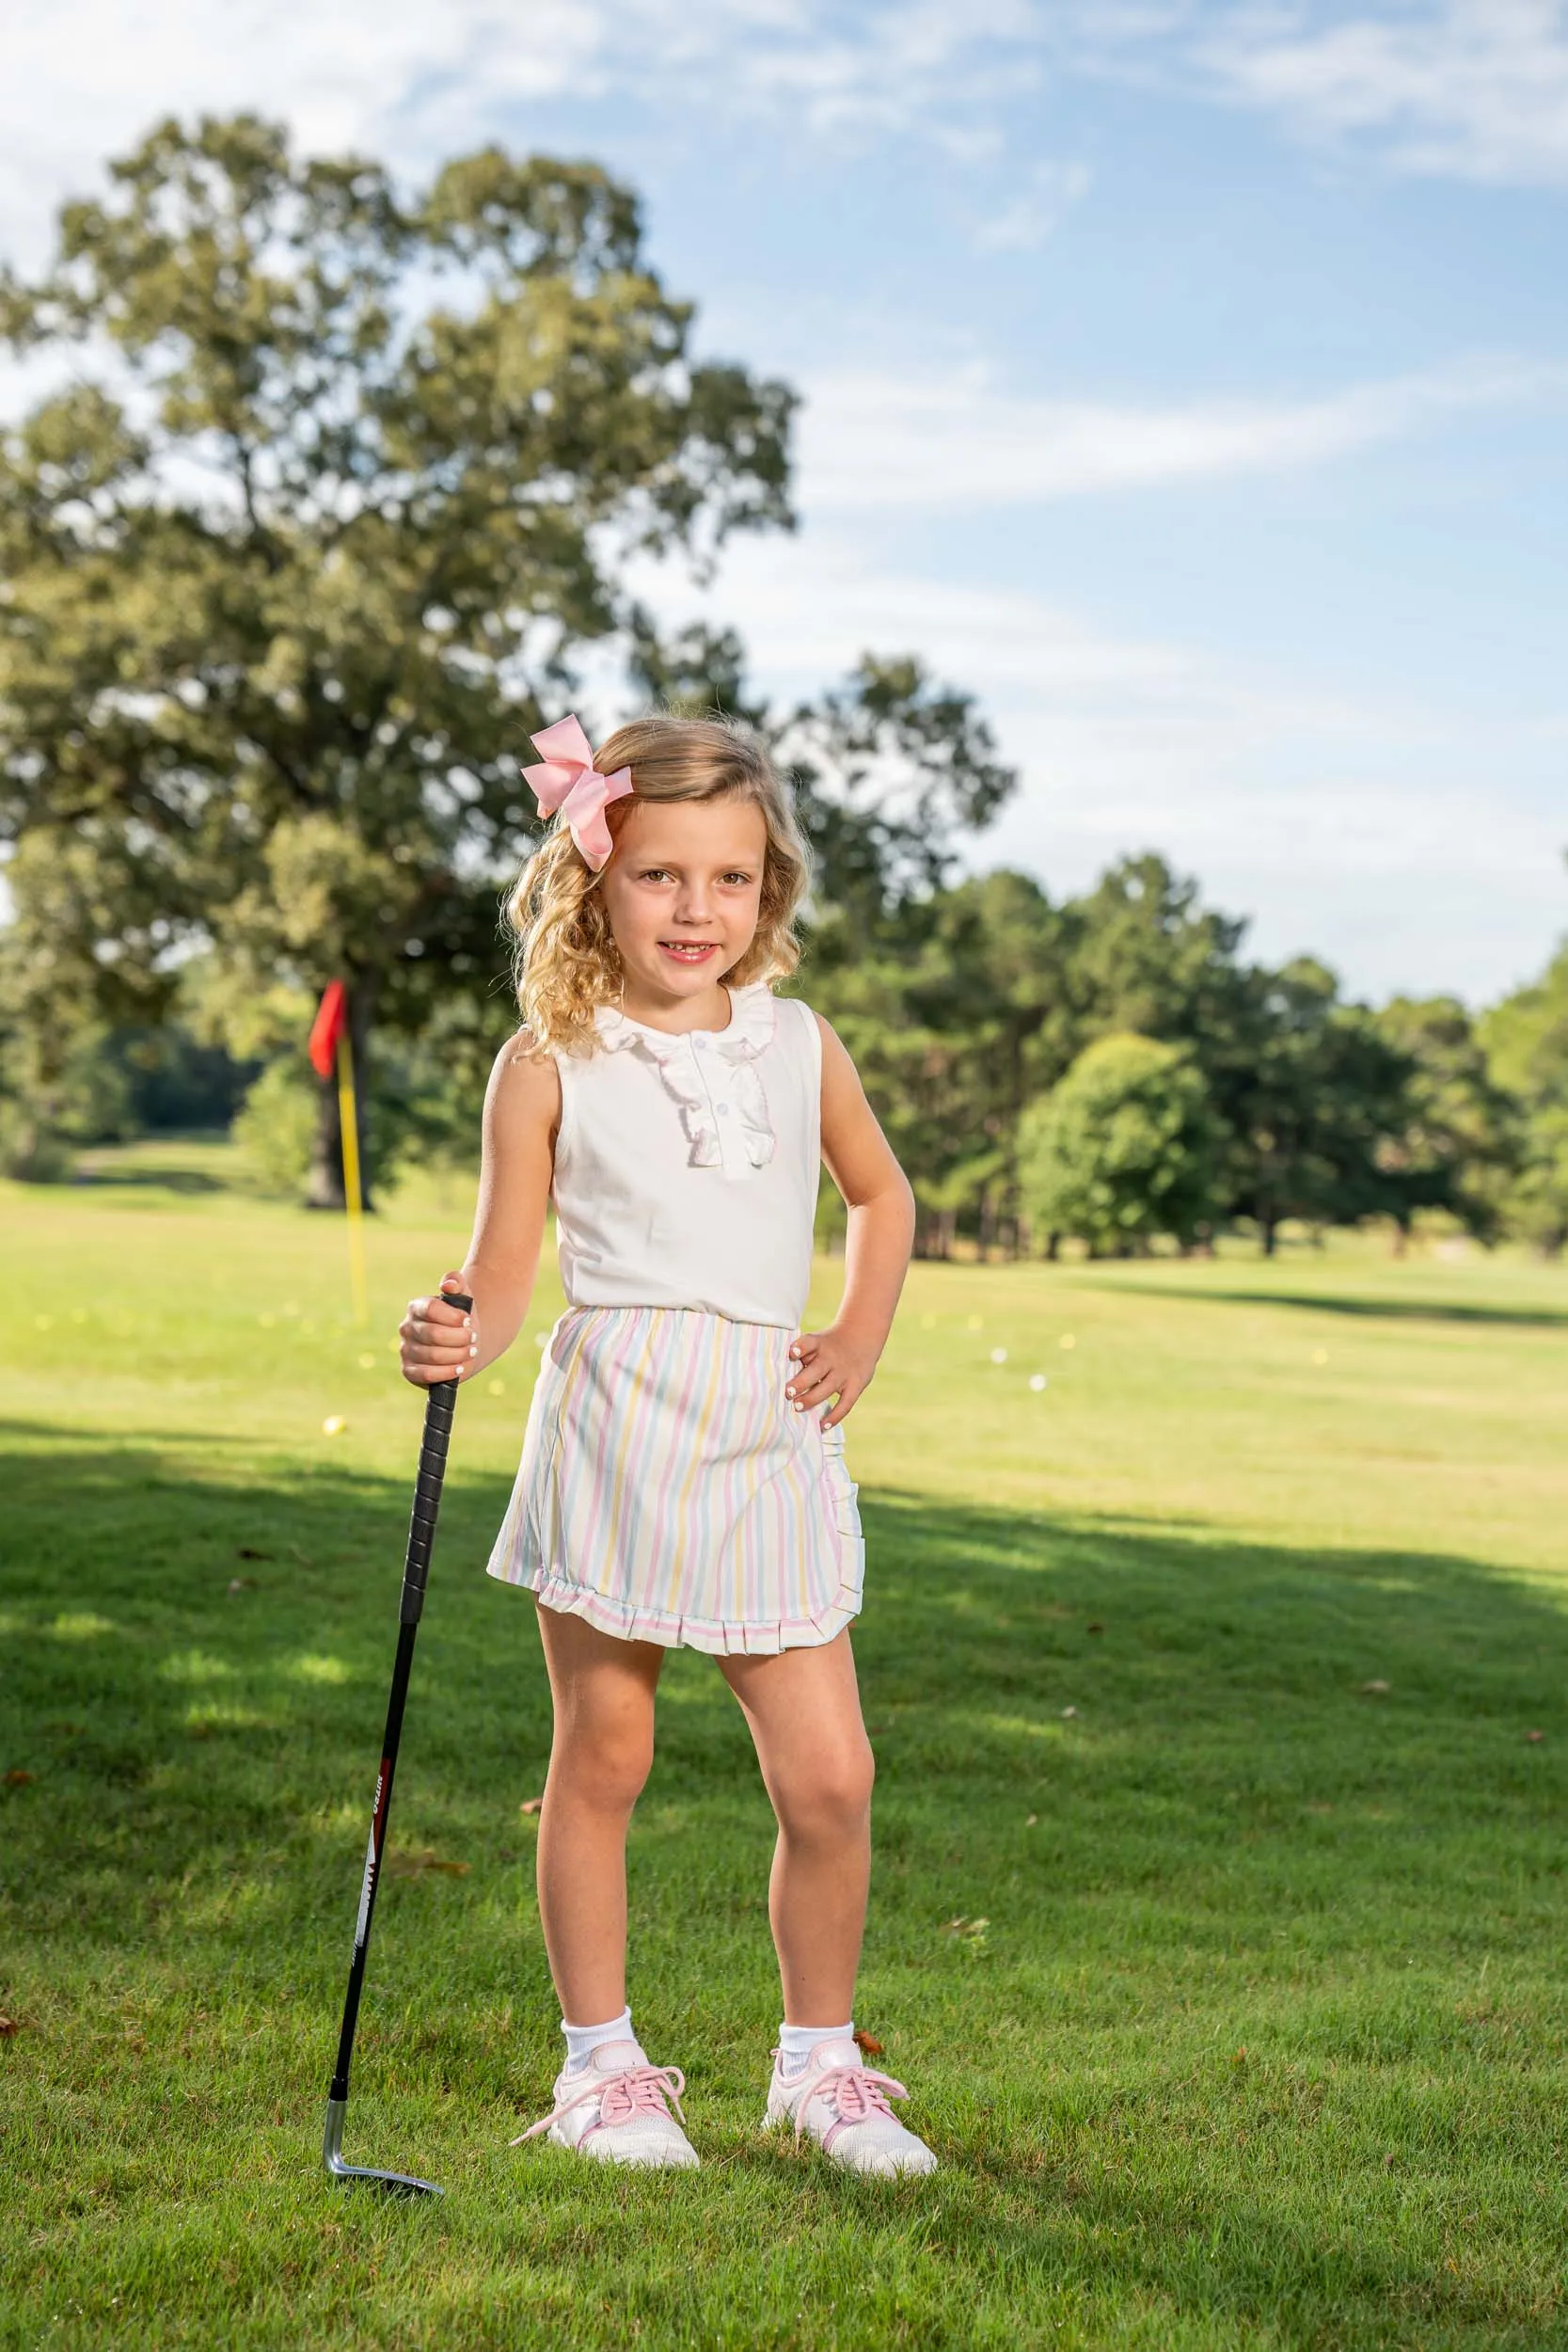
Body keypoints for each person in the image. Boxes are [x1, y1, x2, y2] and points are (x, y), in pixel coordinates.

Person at [398, 711, 935, 2178]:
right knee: (606, 1754)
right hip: (620, 1425)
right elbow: (501, 1277)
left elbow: (883, 1200)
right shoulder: (547, 1061)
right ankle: (601, 2069)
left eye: (732, 879)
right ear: (593, 880)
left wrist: (859, 1333)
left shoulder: (797, 1043)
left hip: (766, 1425)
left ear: (770, 893)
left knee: (829, 1777)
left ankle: (817, 2069)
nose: (697, 910)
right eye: (659, 877)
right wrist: (453, 1331)